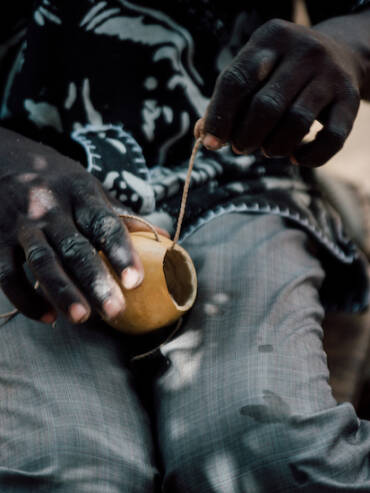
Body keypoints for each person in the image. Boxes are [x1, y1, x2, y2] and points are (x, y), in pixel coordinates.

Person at [0, 0, 369, 491]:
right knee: (66, 471)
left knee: (277, 456)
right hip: (20, 216)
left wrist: (349, 44)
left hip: (231, 182)